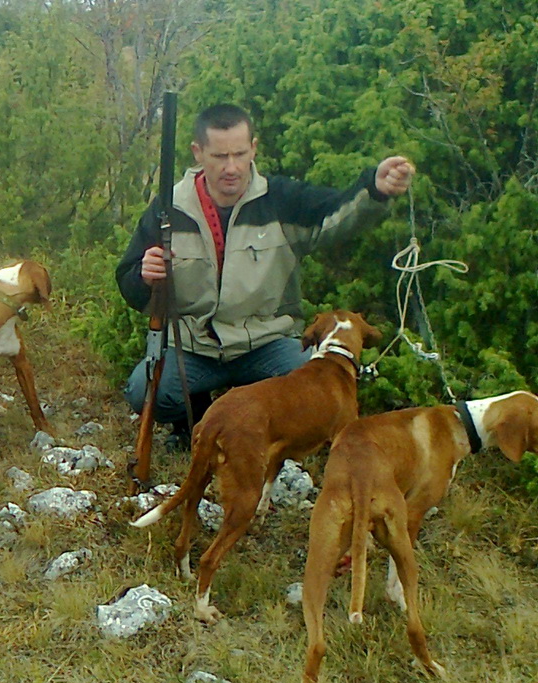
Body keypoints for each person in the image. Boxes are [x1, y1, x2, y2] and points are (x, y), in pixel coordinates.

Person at [117, 103, 415, 449]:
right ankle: (195, 421)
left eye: (240, 154)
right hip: (194, 346)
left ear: (254, 149)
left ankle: (278, 432)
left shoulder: (281, 199)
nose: (232, 167)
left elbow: (335, 218)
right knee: (144, 391)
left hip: (267, 342)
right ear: (198, 153)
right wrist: (144, 276)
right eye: (219, 156)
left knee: (314, 388)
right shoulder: (169, 207)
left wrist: (374, 190)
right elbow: (129, 280)